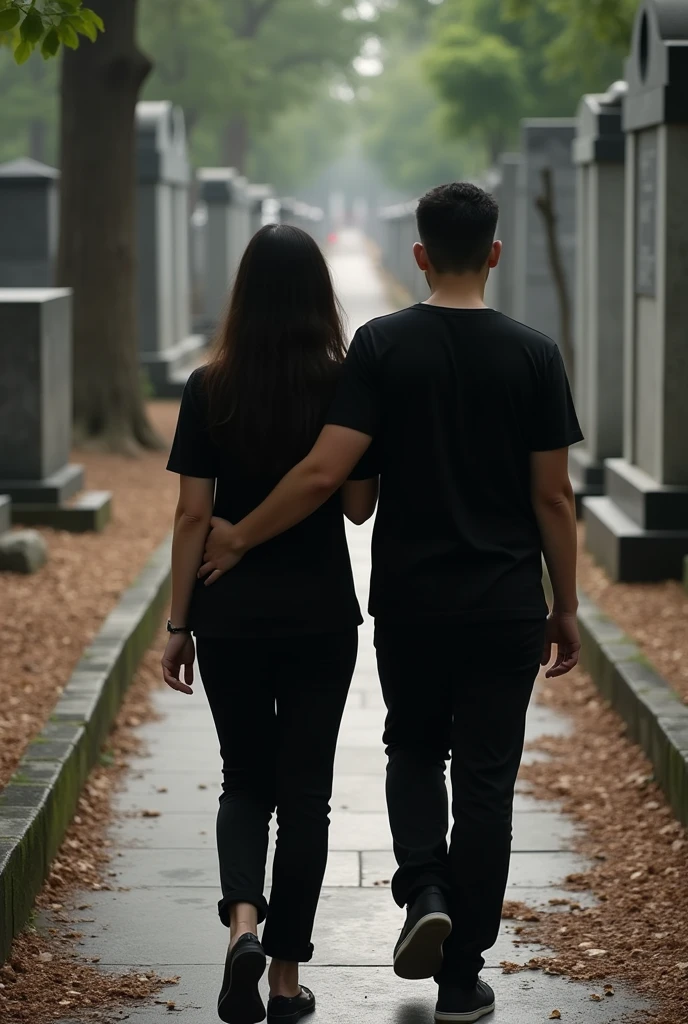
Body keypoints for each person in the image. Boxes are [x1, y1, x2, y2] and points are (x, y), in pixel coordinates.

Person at [198, 182, 583, 1024]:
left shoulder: (381, 347)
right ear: (494, 252)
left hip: (411, 598)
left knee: (412, 748)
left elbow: (337, 479)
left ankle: (425, 889)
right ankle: (460, 975)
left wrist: (237, 536)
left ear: (417, 253)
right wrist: (568, 603)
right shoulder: (534, 354)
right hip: (508, 599)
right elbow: (553, 497)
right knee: (487, 780)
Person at [161, 224, 378, 1024]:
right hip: (320, 615)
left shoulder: (207, 385)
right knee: (307, 798)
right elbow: (357, 507)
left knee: (245, 779)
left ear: (243, 295)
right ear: (319, 296)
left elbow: (192, 516)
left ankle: (241, 928)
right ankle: (285, 982)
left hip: (230, 617)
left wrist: (180, 621)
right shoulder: (344, 384)